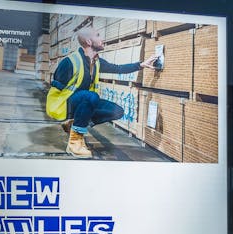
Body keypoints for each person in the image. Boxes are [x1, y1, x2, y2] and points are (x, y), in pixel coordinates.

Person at [46, 27, 159, 158]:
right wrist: (60, 109)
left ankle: (74, 123)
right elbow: (56, 89)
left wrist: (141, 65)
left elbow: (118, 69)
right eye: (98, 36)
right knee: (91, 97)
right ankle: (74, 142)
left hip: (83, 104)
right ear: (89, 41)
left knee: (117, 111)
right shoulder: (70, 62)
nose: (102, 39)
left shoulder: (96, 62)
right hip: (62, 106)